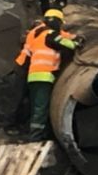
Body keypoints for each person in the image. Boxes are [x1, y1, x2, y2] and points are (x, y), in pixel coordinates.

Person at [16, 8, 81, 141]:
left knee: (36, 106)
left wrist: (71, 36)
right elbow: (66, 43)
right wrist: (76, 43)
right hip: (44, 76)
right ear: (57, 22)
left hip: (32, 76)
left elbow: (62, 36)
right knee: (41, 108)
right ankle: (35, 138)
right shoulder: (50, 34)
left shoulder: (38, 33)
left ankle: (34, 131)